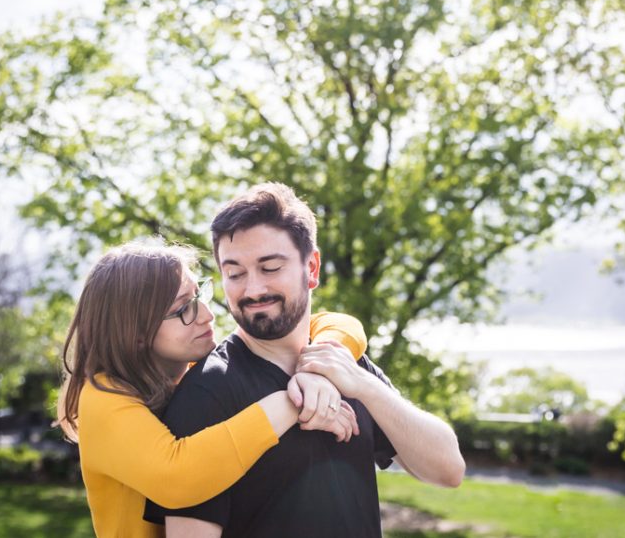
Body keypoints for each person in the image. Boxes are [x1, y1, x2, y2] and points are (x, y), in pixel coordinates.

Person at [145, 183, 465, 537]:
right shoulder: (207, 392)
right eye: (235, 273)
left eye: (270, 267)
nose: (252, 290)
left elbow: (448, 470)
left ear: (311, 267)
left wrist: (364, 386)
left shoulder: (347, 364)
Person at [57, 240, 368, 538]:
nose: (207, 314)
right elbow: (177, 477)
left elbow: (337, 322)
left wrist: (319, 368)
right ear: (135, 332)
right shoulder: (102, 398)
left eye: (199, 295)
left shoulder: (196, 372)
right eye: (183, 310)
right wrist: (292, 400)